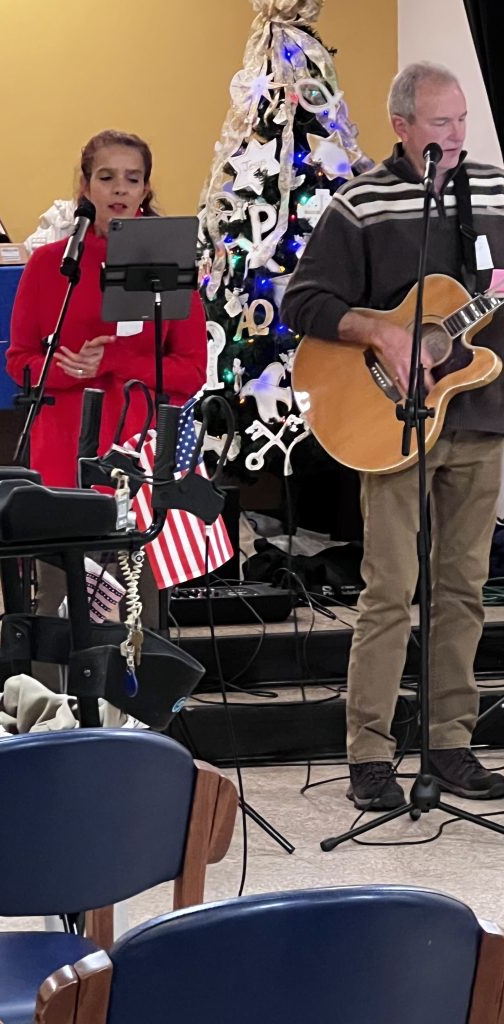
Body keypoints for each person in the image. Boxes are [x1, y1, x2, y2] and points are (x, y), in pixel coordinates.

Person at [282, 62, 504, 810]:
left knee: (464, 589)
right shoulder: (363, 203)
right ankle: (369, 756)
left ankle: (450, 746)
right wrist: (380, 331)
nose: (456, 136)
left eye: (462, 121)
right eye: (440, 123)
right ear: (402, 127)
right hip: (392, 423)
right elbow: (303, 301)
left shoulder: (497, 192)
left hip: (479, 415)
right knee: (388, 591)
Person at [7, 130, 207, 649]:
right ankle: (52, 724)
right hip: (63, 463)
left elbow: (189, 372)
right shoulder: (50, 265)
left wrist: (113, 360)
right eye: (107, 176)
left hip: (136, 464)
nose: (120, 188)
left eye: (133, 178)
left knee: (136, 619)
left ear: (146, 188)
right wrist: (66, 372)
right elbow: (20, 362)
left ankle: (138, 725)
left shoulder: (169, 266)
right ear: (85, 184)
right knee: (59, 614)